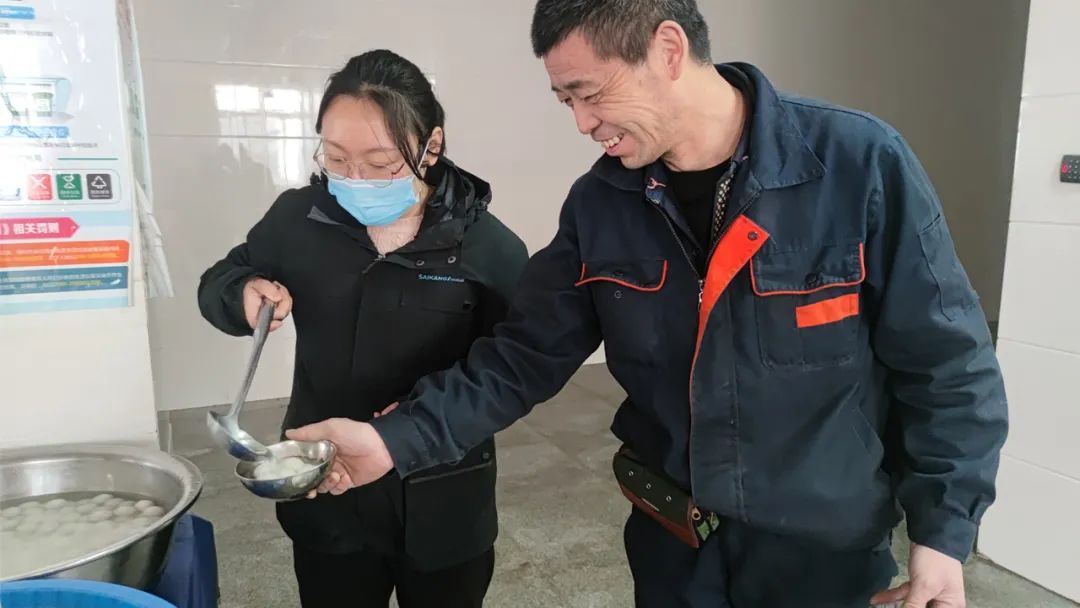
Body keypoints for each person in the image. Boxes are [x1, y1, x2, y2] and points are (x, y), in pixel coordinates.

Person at [288, 2, 1008, 607]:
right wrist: (394, 440)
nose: (581, 122)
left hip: (822, 559)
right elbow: (519, 358)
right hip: (675, 553)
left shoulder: (857, 164)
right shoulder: (602, 204)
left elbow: (946, 364)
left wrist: (943, 536)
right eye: (566, 101)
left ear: (667, 49)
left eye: (589, 93)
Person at [197, 49, 528, 608]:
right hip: (325, 489)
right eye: (336, 157)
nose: (354, 179)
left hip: (442, 497)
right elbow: (220, 280)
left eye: (380, 164)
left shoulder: (484, 245)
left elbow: (514, 368)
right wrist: (242, 292)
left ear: (431, 146)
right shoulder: (300, 219)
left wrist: (423, 423)